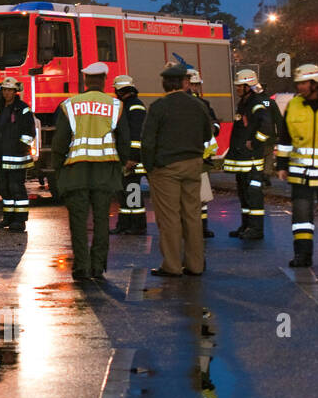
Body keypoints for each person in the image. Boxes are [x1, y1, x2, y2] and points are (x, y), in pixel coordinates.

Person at [51, 62, 130, 280]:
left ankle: (81, 267)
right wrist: (121, 163)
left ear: (85, 80)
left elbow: (59, 142)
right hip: (105, 171)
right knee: (102, 219)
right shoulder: (116, 106)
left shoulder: (70, 105)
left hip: (75, 171)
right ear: (104, 80)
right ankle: (98, 266)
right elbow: (124, 141)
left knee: (78, 221)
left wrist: (58, 168)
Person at [144, 63, 215, 277]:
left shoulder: (158, 107)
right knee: (192, 215)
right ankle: (195, 265)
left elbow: (148, 142)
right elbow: (207, 133)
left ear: (165, 84)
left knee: (169, 218)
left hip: (166, 169)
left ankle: (172, 266)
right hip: (193, 165)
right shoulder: (199, 105)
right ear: (184, 83)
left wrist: (149, 168)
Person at [275, 64, 318, 268]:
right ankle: (302, 255)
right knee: (301, 218)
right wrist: (282, 164)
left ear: (315, 83)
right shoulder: (293, 105)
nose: (299, 87)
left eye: (303, 83)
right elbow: (284, 138)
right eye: (298, 83)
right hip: (301, 174)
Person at [223, 69, 273, 241]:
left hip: (251, 160)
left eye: (239, 86)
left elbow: (266, 127)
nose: (237, 89)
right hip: (242, 159)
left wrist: (255, 142)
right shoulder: (244, 104)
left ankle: (256, 229)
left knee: (253, 195)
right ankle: (246, 225)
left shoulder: (256, 103)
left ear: (248, 86)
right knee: (244, 194)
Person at [0, 76, 36, 232]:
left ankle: (20, 221)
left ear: (15, 91)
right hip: (1, 158)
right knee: (4, 189)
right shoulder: (1, 108)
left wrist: (20, 146)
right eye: (4, 90)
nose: (6, 93)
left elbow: (29, 132)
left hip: (17, 158)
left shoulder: (22, 108)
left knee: (16, 188)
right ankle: (8, 218)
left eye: (9, 90)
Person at [111, 74, 147, 235]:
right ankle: (124, 224)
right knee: (124, 192)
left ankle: (137, 225)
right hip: (125, 157)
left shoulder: (134, 106)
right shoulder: (126, 105)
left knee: (132, 191)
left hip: (133, 160)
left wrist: (133, 157)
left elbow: (136, 134)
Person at [187, 69, 221, 237]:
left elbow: (215, 125)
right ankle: (193, 226)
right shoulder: (184, 105)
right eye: (192, 84)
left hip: (202, 156)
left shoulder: (205, 104)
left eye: (197, 85)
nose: (195, 88)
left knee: (203, 194)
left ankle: (202, 226)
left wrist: (212, 129)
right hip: (189, 155)